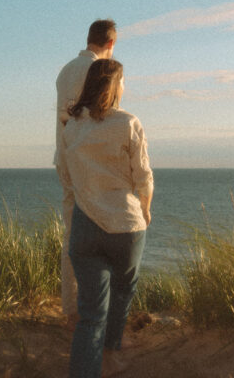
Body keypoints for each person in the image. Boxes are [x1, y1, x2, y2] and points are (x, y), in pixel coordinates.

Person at [58, 58, 153, 378]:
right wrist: (146, 207)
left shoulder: (72, 126)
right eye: (123, 82)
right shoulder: (128, 123)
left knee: (90, 316)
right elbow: (143, 178)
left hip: (86, 226)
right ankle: (111, 357)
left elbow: (65, 174)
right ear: (115, 87)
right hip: (125, 226)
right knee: (123, 291)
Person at [55, 19, 117, 324]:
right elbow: (107, 119)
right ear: (110, 44)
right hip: (90, 162)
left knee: (73, 234)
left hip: (64, 158)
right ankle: (96, 311)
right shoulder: (103, 72)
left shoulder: (66, 70)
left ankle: (71, 310)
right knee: (103, 233)